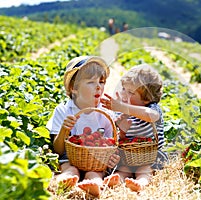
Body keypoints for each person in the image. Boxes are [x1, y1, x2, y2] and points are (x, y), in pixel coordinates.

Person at [46, 56, 120, 197]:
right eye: (91, 82)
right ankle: (65, 180)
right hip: (69, 158)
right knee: (69, 169)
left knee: (95, 173)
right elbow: (58, 150)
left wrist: (112, 157)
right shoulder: (63, 110)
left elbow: (111, 145)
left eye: (102, 82)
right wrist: (64, 130)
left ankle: (94, 185)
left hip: (96, 162)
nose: (98, 86)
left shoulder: (106, 114)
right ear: (74, 88)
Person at [100, 64, 169, 192]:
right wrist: (122, 130)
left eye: (131, 92)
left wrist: (123, 107)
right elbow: (120, 139)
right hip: (128, 157)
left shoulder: (152, 109)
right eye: (124, 89)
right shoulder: (122, 113)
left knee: (144, 171)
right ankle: (117, 180)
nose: (125, 94)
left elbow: (151, 116)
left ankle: (141, 183)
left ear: (147, 99)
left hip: (150, 157)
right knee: (123, 170)